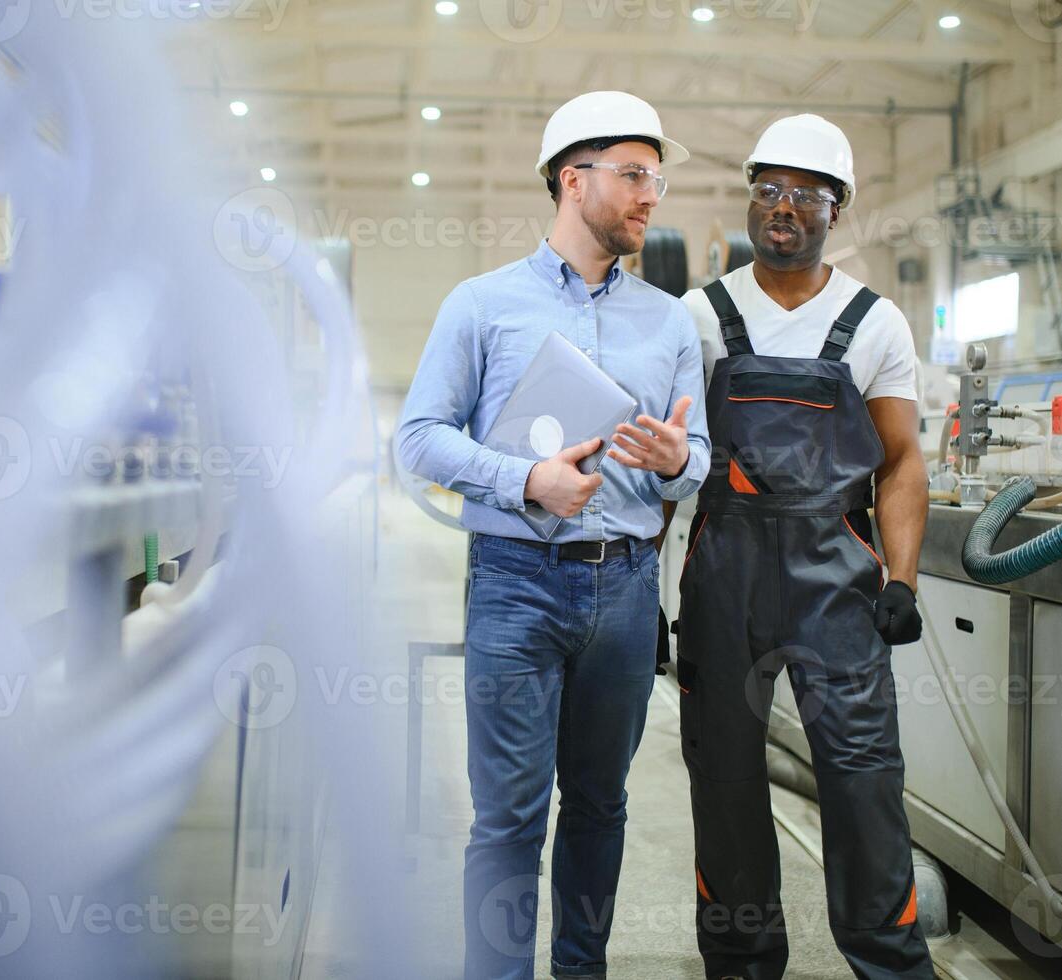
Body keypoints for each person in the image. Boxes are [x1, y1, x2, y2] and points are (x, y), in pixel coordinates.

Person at [396, 90, 711, 980]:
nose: (652, 195)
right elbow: (417, 437)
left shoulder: (667, 320)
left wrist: (673, 457)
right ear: (574, 181)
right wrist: (524, 479)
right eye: (634, 175)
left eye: (656, 178)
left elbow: (700, 464)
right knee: (507, 818)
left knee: (600, 808)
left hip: (624, 589)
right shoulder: (481, 304)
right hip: (514, 581)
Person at [676, 113, 933, 979]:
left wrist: (900, 581)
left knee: (861, 780)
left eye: (804, 194)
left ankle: (889, 962)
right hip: (724, 572)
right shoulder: (699, 317)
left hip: (837, 579)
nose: (782, 207)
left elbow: (900, 465)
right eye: (768, 191)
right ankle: (741, 966)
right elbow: (658, 457)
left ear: (837, 208)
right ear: (751, 200)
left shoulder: (873, 323)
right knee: (725, 779)